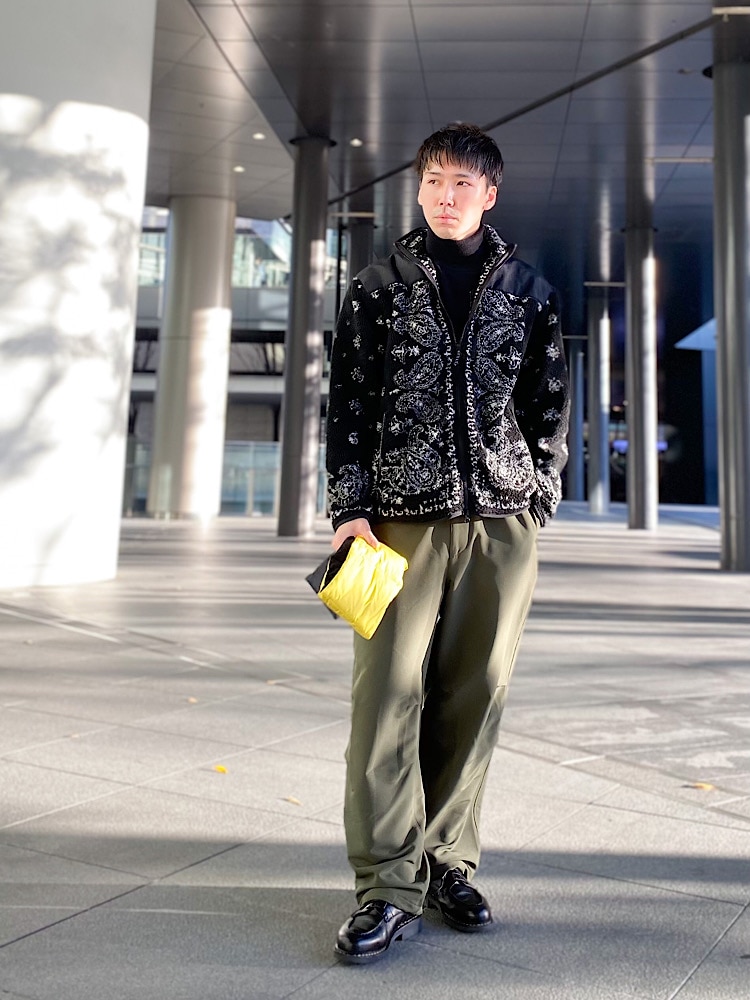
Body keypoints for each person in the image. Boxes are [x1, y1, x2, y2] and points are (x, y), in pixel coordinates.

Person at [325, 122, 569, 964]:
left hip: (501, 526)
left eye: (463, 183)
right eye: (434, 180)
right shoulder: (377, 287)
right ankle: (385, 884)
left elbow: (548, 401)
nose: (446, 196)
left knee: (476, 694)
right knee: (385, 696)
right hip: (397, 524)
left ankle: (446, 863)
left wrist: (538, 491)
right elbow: (348, 400)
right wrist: (349, 507)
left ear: (489, 194)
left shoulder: (530, 291)